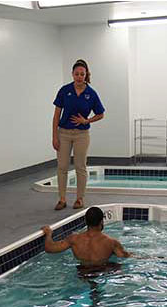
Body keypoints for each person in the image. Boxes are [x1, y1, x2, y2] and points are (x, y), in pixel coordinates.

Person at [52, 59, 105, 210]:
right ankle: (62, 199)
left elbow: (101, 114)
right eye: (77, 74)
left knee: (80, 166)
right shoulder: (64, 90)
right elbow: (56, 116)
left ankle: (79, 199)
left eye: (82, 74)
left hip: (82, 135)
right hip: (63, 133)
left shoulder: (91, 93)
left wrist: (86, 120)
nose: (79, 76)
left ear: (86, 75)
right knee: (62, 166)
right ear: (72, 74)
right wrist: (54, 136)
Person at [41, 207, 130, 267]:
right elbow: (125, 256)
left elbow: (49, 248)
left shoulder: (73, 239)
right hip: (103, 271)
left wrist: (49, 234)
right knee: (116, 266)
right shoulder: (111, 242)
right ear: (101, 222)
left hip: (83, 272)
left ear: (86, 222)